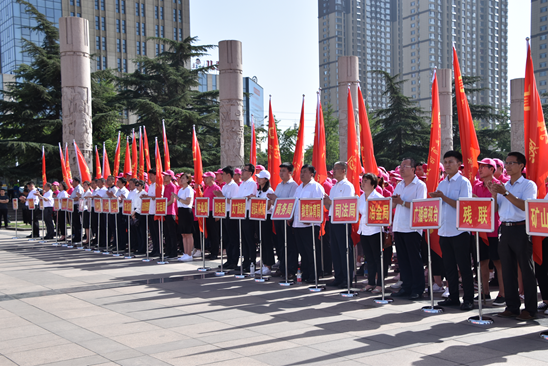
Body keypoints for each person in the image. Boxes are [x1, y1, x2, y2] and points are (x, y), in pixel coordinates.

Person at [488, 152, 538, 321]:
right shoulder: (504, 186)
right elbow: (495, 210)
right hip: (505, 229)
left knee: (526, 270)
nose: (507, 166)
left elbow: (526, 207)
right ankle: (512, 306)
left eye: (511, 163)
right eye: (506, 163)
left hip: (521, 229)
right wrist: (494, 194)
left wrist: (505, 193)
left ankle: (530, 309)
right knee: (507, 270)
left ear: (521, 166)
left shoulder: (528, 185)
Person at [431, 151, 474, 311]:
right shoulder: (442, 183)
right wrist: (435, 198)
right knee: (448, 267)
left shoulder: (464, 183)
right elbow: (440, 203)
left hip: (459, 231)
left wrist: (443, 198)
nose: (447, 165)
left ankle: (468, 299)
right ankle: (453, 297)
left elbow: (464, 206)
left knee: (464, 267)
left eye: (451, 162)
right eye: (446, 162)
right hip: (444, 230)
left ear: (459, 164)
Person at [391, 158, 427, 300]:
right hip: (399, 226)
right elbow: (394, 205)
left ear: (413, 169)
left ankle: (417, 289)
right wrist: (393, 202)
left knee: (414, 260)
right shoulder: (399, 185)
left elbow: (420, 207)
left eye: (405, 166)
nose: (401, 169)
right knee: (403, 260)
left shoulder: (420, 186)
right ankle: (406, 287)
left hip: (412, 228)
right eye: (400, 166)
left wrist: (402, 202)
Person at [472, 158, 505, 306]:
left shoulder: (499, 186)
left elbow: (497, 209)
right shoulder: (476, 186)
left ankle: (503, 293)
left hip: (494, 230)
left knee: (498, 262)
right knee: (482, 261)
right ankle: (484, 292)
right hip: (479, 230)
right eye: (479, 167)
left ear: (492, 169)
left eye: (484, 167)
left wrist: (493, 195)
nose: (480, 169)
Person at [323, 162, 356, 288]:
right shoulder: (334, 187)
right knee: (335, 250)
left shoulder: (348, 186)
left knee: (344, 250)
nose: (334, 171)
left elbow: (347, 205)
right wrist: (326, 201)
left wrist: (330, 201)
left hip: (343, 221)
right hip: (333, 220)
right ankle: (338, 276)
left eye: (336, 169)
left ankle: (347, 278)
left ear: (343, 170)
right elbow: (329, 205)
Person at [292, 164, 325, 283]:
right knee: (303, 251)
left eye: (305, 172)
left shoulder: (316, 187)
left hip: (309, 225)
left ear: (312, 174)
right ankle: (305, 273)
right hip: (297, 224)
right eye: (301, 172)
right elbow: (295, 204)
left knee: (311, 251)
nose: (302, 174)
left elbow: (318, 206)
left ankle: (314, 274)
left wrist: (310, 219)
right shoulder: (299, 187)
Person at [267, 162, 299, 279]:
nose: (281, 173)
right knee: (280, 244)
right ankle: (282, 268)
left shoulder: (294, 186)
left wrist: (276, 199)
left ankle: (291, 269)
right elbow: (276, 201)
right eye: (280, 171)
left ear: (290, 172)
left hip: (287, 218)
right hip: (278, 217)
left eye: (284, 171)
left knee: (290, 245)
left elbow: (292, 203)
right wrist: (272, 199)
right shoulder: (279, 185)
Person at [358, 173, 384, 293]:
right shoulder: (361, 197)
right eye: (362, 181)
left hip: (375, 231)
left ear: (373, 184)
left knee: (378, 258)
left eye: (366, 181)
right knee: (369, 258)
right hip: (364, 231)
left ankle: (380, 284)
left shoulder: (378, 198)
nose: (363, 183)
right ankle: (371, 282)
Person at [213, 166, 240, 269]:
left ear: (229, 175)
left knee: (233, 238)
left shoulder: (234, 186)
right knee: (226, 238)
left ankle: (234, 261)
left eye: (223, 174)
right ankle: (229, 259)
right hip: (224, 214)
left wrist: (221, 196)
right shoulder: (224, 186)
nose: (222, 176)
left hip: (232, 214)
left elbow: (233, 201)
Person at [234, 164, 258, 271]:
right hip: (241, 212)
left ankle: (251, 262)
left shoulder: (252, 184)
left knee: (249, 239)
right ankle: (245, 261)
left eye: (244, 170)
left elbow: (249, 197)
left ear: (250, 173)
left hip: (248, 213)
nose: (242, 172)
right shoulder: (242, 184)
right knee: (243, 239)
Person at [255, 170, 275, 275]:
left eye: (260, 178)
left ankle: (268, 265)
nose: (258, 179)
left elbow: (268, 207)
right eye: (258, 177)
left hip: (266, 217)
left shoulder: (269, 191)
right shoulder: (259, 191)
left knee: (267, 241)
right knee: (261, 241)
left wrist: (257, 202)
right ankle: (264, 264)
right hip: (258, 217)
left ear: (266, 179)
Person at [173, 173, 194, 261]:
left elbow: (188, 202)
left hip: (187, 211)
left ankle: (189, 253)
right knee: (183, 234)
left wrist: (177, 198)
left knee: (188, 233)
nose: (181, 180)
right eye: (181, 178)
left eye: (184, 178)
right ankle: (185, 253)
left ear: (188, 180)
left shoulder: (189, 189)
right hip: (181, 211)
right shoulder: (181, 189)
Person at [202, 171, 221, 260]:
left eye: (207, 177)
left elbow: (219, 201)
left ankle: (215, 252)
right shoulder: (207, 188)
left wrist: (217, 214)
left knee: (214, 234)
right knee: (209, 233)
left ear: (212, 178)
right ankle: (212, 251)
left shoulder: (216, 188)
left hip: (214, 213)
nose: (205, 179)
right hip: (207, 213)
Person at [163, 170, 179, 259]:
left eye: (166, 176)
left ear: (170, 177)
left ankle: (174, 252)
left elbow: (172, 200)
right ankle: (168, 251)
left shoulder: (172, 186)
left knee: (172, 233)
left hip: (170, 212)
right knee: (166, 233)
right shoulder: (165, 186)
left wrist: (162, 206)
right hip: (165, 212)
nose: (164, 177)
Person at [144, 170, 160, 257]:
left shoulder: (158, 185)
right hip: (150, 211)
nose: (150, 177)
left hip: (156, 212)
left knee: (157, 232)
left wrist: (148, 196)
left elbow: (158, 197)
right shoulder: (151, 185)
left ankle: (158, 249)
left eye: (151, 175)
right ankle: (154, 249)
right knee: (153, 233)